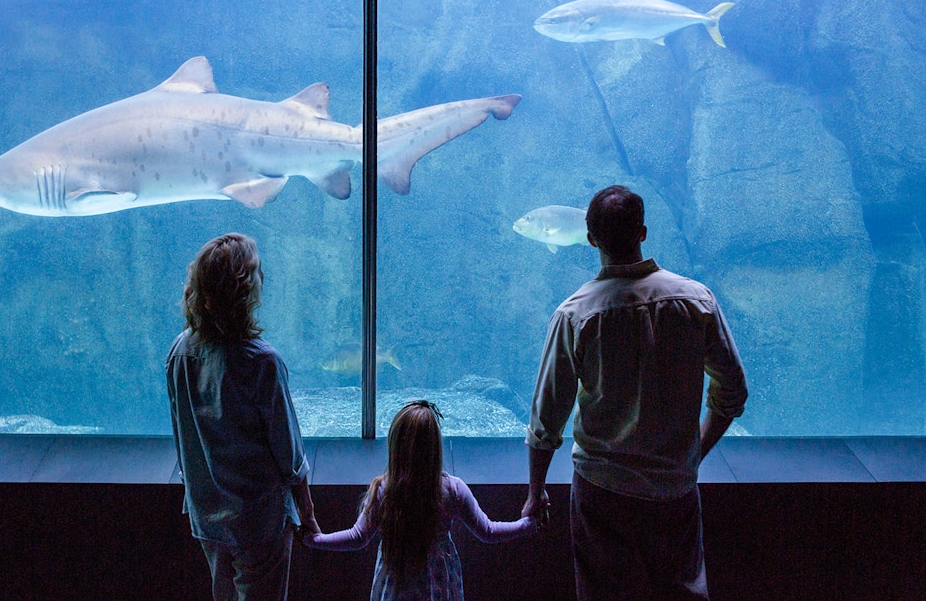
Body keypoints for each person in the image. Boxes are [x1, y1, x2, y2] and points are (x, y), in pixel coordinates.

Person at [522, 185, 748, 600]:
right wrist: (695, 449)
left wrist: (536, 493)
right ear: (643, 232)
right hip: (675, 488)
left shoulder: (575, 314)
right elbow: (732, 391)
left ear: (590, 239)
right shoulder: (696, 301)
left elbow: (546, 417)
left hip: (601, 490)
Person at [166, 233, 319, 601]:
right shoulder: (262, 362)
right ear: (244, 290)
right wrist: (308, 512)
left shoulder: (179, 352)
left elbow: (181, 433)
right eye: (257, 272)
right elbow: (289, 455)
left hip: (207, 515)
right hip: (259, 520)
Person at [303, 400, 537, 600]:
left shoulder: (384, 490)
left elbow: (357, 537)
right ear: (435, 446)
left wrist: (315, 539)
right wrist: (527, 524)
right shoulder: (452, 489)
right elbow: (488, 531)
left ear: (395, 445)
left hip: (396, 585)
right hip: (437, 583)